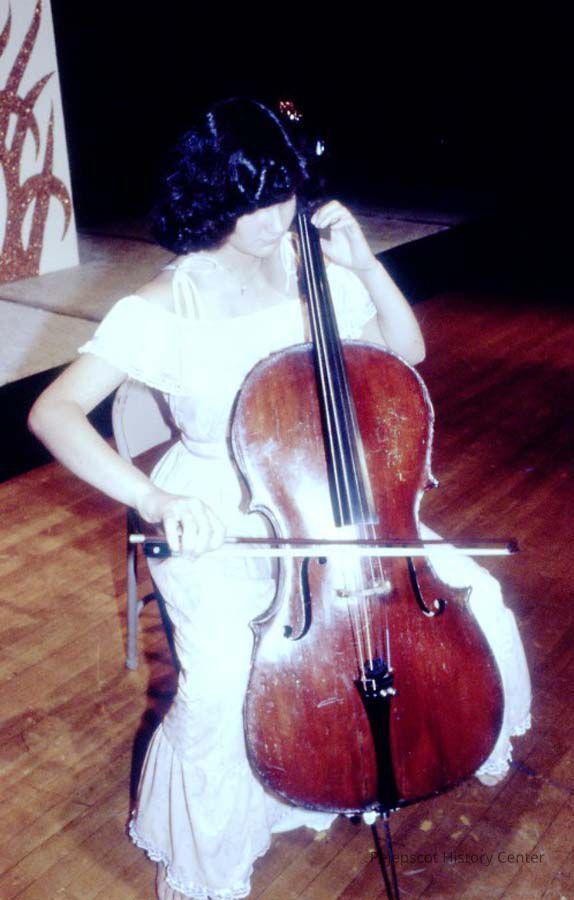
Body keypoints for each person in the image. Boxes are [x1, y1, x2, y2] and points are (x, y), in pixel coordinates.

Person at [28, 97, 531, 900]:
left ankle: (373, 755)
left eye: (284, 193)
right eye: (252, 200)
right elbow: (52, 412)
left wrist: (364, 263)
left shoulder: (315, 268)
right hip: (214, 512)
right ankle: (224, 847)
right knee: (228, 680)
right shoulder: (166, 302)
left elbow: (406, 352)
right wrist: (153, 498)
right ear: (213, 196)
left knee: (478, 598)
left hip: (329, 494)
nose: (274, 217)